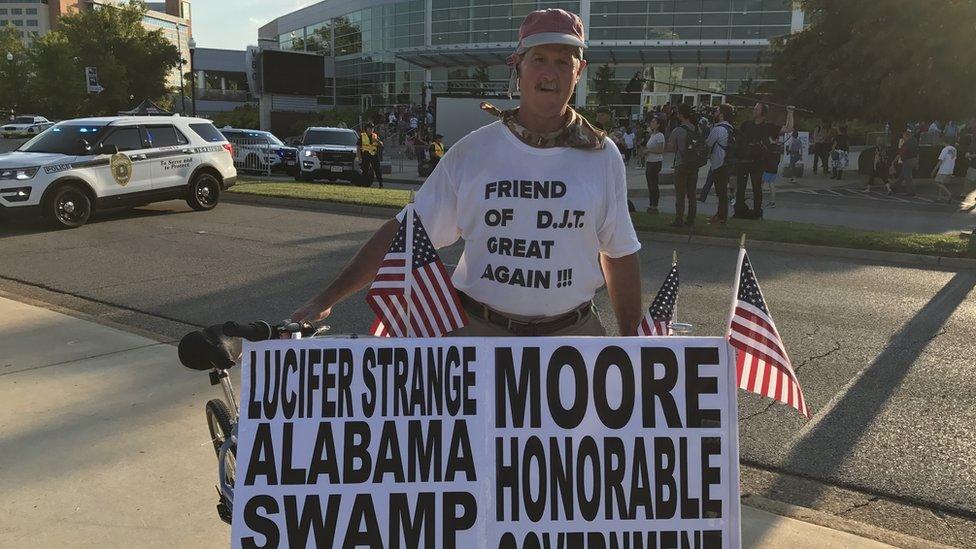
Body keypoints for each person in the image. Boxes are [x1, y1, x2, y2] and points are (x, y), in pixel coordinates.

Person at [290, 8, 642, 337]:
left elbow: (620, 254)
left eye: (563, 62)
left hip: (572, 337)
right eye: (539, 60)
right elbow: (406, 235)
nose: (550, 73)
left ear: (578, 72)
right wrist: (327, 298)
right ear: (517, 66)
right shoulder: (473, 152)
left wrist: (635, 346)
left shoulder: (601, 155)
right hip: (480, 335)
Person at [733, 102, 795, 219]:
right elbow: (738, 139)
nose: (754, 111)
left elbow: (789, 128)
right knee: (740, 188)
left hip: (758, 162)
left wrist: (790, 113)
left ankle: (757, 212)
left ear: (763, 113)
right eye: (754, 109)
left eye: (757, 109)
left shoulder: (768, 127)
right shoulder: (746, 125)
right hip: (744, 161)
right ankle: (739, 211)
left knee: (757, 189)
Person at [665, 103, 703, 227]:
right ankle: (691, 219)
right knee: (692, 193)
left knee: (680, 194)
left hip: (681, 164)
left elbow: (671, 148)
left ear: (680, 115)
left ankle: (679, 219)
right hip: (694, 164)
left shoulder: (678, 130)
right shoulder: (697, 129)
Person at [704, 103, 735, 224]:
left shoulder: (718, 129)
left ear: (721, 115)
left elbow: (708, 143)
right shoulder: (729, 127)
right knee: (722, 191)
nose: (714, 113)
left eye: (716, 111)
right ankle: (720, 215)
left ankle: (721, 217)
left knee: (721, 192)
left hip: (719, 163)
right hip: (727, 163)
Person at [643, 114, 666, 213]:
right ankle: (651, 204)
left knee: (653, 184)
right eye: (651, 122)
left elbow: (661, 149)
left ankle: (654, 205)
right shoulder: (652, 135)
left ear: (658, 125)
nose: (651, 124)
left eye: (653, 122)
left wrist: (649, 151)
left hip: (655, 162)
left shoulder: (660, 135)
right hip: (649, 161)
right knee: (650, 184)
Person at [930, 135, 956, 203]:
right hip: (950, 168)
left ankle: (949, 194)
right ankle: (939, 198)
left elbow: (940, 161)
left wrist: (934, 170)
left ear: (943, 141)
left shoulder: (944, 149)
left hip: (943, 169)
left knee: (937, 182)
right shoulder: (954, 149)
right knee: (940, 183)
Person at [894, 129, 919, 196]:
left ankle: (911, 192)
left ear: (907, 136)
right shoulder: (914, 141)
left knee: (908, 177)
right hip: (913, 160)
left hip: (907, 161)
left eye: (904, 136)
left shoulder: (906, 143)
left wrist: (894, 161)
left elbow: (900, 153)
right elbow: (917, 152)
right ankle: (894, 187)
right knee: (902, 175)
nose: (903, 138)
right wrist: (917, 162)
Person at [358, 122, 384, 188]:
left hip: (374, 154)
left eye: (372, 128)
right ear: (366, 129)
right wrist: (359, 157)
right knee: (365, 170)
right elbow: (358, 147)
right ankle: (363, 184)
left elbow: (381, 144)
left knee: (377, 169)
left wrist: (377, 140)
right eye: (369, 128)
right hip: (366, 154)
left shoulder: (375, 136)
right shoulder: (362, 136)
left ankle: (381, 184)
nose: (370, 129)